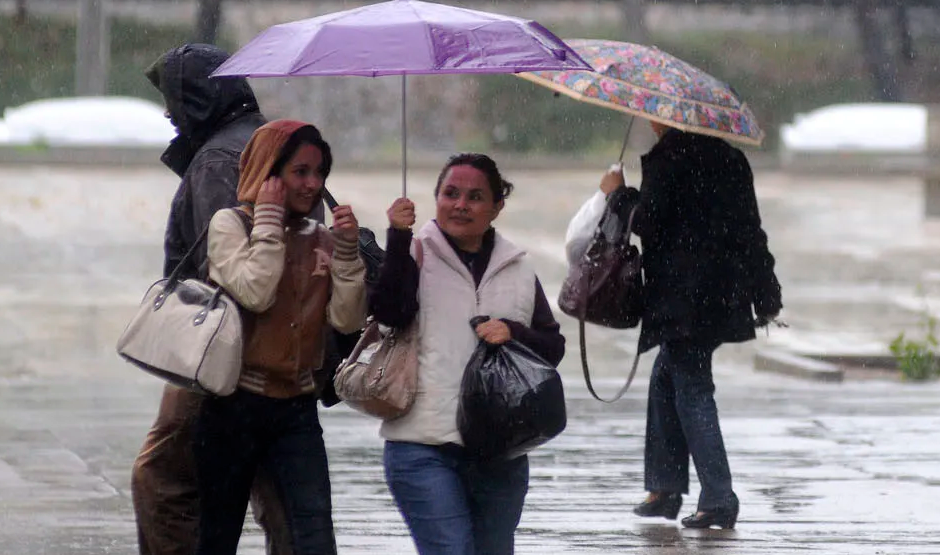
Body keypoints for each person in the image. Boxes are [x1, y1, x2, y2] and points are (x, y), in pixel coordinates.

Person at [131, 43, 300, 555]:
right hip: (283, 342)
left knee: (161, 478)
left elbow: (223, 265)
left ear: (200, 98)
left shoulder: (219, 158)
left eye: (174, 97)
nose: (167, 111)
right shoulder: (266, 142)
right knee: (280, 489)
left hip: (224, 348)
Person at [370, 153, 566, 554]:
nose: (460, 205)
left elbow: (553, 347)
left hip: (501, 453)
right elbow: (388, 313)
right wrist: (397, 236)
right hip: (421, 445)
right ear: (436, 197)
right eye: (450, 193)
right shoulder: (412, 253)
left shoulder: (517, 268)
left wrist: (512, 332)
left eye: (475, 197)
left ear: (497, 207)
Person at [196, 119, 367, 555]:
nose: (312, 184)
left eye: (320, 173)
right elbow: (255, 291)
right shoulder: (229, 225)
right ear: (268, 172)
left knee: (315, 536)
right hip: (234, 405)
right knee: (218, 534)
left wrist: (346, 252)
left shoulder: (322, 238)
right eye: (300, 171)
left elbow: (347, 321)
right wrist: (268, 219)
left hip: (296, 409)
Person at [601, 122, 782, 529]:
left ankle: (719, 497)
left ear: (665, 116)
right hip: (722, 296)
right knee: (667, 376)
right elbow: (751, 230)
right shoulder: (731, 158)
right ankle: (664, 488)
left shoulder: (669, 158)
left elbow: (648, 222)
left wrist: (618, 194)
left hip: (683, 299)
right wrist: (766, 291)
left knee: (692, 389)